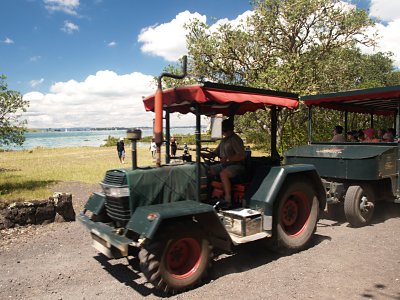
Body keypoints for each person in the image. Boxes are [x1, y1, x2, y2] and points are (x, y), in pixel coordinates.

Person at [202, 118, 245, 208]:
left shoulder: (235, 139)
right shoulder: (224, 140)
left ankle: (227, 199)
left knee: (223, 174)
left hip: (237, 165)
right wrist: (203, 154)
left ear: (228, 129)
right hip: (224, 165)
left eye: (223, 130)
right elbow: (214, 154)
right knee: (208, 171)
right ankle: (209, 196)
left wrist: (227, 159)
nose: (222, 132)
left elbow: (241, 156)